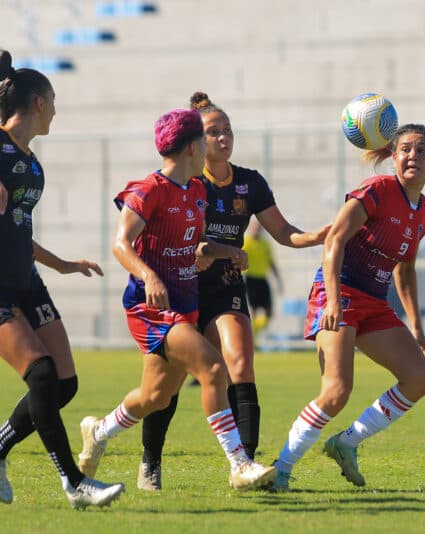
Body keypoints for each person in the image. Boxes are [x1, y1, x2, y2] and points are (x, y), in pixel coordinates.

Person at [77, 108, 276, 492]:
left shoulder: (197, 191)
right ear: (191, 148)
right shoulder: (148, 189)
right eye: (205, 139)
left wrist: (227, 251)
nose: (211, 146)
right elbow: (120, 244)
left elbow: (197, 244)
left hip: (186, 304)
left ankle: (99, 432)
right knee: (214, 368)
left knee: (155, 395)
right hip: (152, 308)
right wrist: (149, 275)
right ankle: (240, 464)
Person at [136, 92, 327, 491]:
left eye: (227, 130)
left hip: (225, 287)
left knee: (240, 364)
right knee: (165, 387)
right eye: (213, 132)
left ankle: (247, 464)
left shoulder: (249, 182)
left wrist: (318, 236)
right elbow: (170, 238)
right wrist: (203, 251)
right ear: (196, 141)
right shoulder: (184, 184)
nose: (223, 138)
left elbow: (283, 232)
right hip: (181, 288)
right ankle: (150, 460)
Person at [270, 124, 425, 492]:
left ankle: (346, 443)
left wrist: (416, 326)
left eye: (422, 150)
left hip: (374, 302)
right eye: (405, 149)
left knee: (419, 378)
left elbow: (405, 269)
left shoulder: (424, 210)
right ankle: (280, 469)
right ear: (393, 156)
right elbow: (335, 240)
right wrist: (332, 299)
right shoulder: (376, 189)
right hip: (339, 292)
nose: (413, 156)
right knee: (336, 391)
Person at [0, 49, 125, 509]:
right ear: (38, 103)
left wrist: (63, 265)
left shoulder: (31, 163)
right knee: (41, 374)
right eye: (53, 101)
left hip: (27, 280)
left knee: (64, 384)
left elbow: (18, 230)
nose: (55, 110)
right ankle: (75, 483)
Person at [242, 217, 283, 338]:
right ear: (250, 228)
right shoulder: (246, 242)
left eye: (258, 228)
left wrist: (278, 279)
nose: (256, 230)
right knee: (253, 311)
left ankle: (255, 332)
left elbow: (271, 262)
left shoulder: (265, 244)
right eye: (254, 227)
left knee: (269, 312)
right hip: (250, 279)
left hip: (263, 279)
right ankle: (252, 339)